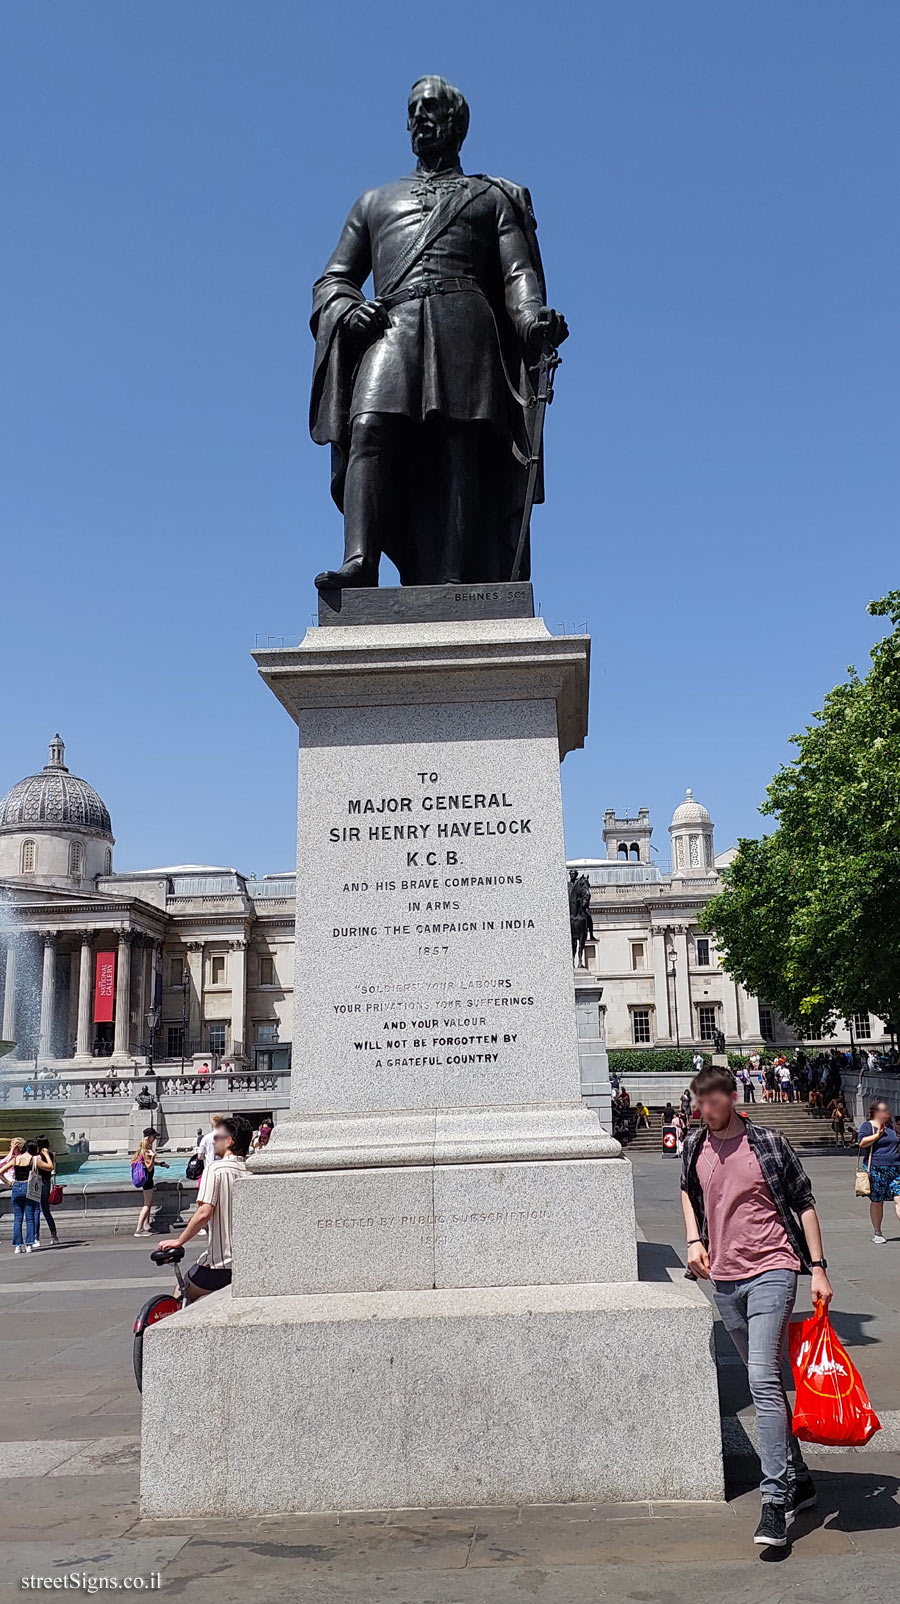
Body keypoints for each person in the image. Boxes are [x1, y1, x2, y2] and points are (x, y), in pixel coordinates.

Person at [681, 1066, 833, 1550]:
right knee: (762, 1379)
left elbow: (804, 1202)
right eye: (697, 1101)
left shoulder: (767, 1142)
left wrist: (820, 1268)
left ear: (729, 1097)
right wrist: (693, 1239)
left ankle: (774, 1500)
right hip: (725, 1279)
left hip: (774, 1268)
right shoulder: (693, 1146)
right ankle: (800, 1476)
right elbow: (687, 1188)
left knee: (763, 1380)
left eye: (710, 1100)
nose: (703, 1109)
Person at [158, 1115, 252, 1299]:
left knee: (182, 1291)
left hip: (220, 1265)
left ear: (229, 1141)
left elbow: (204, 1212)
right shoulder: (251, 1171)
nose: (213, 1140)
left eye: (217, 1136)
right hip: (248, 1264)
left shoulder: (215, 1169)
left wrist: (179, 1241)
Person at [857, 1099, 900, 1244]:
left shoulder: (892, 1127)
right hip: (876, 1168)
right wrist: (877, 1136)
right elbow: (861, 1142)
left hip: (895, 1168)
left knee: (899, 1198)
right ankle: (877, 1232)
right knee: (877, 1202)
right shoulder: (868, 1125)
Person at [8, 1140, 53, 1255]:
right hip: (29, 1187)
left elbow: (0, 1171)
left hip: (16, 1187)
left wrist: (9, 1182)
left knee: (17, 1219)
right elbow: (50, 1167)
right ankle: (29, 1245)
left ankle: (18, 1246)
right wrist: (46, 1155)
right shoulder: (35, 1159)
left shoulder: (16, 1159)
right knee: (30, 1218)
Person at [132, 1128, 168, 1237]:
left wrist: (160, 1164)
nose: (155, 1139)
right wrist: (153, 1156)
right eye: (154, 1137)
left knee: (149, 1203)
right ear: (149, 1137)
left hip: (147, 1179)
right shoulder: (147, 1150)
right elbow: (148, 1166)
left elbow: (146, 1163)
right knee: (147, 1205)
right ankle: (139, 1229)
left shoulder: (141, 1150)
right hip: (147, 1179)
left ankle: (146, 1225)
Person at [33, 1134, 60, 1246]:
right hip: (47, 1183)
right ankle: (54, 1235)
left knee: (36, 1210)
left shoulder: (38, 1156)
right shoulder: (51, 1155)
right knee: (46, 1210)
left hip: (38, 1183)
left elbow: (49, 1167)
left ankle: (36, 1238)